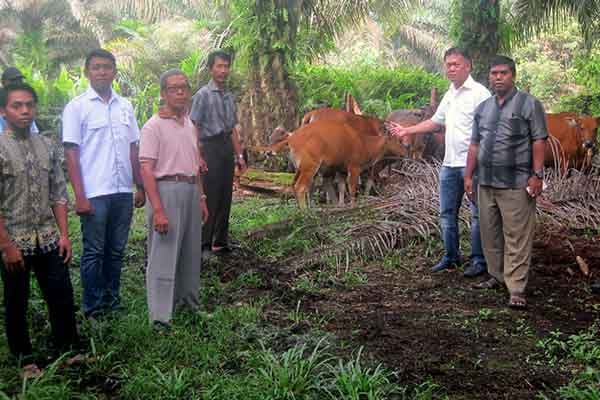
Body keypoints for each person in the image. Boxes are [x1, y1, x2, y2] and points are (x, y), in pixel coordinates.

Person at [387, 48, 490, 277]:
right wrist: (407, 129)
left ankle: (479, 260)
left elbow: (489, 132)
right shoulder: (450, 94)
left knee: (477, 214)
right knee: (446, 213)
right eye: (448, 64)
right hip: (450, 164)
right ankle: (451, 257)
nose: (451, 68)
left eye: (456, 64)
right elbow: (435, 122)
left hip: (473, 165)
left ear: (468, 66)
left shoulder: (480, 94)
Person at [0, 83, 78, 375]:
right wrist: (6, 246)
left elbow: (58, 192)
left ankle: (69, 348)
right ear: (3, 110)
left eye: (30, 105)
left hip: (48, 237)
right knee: (16, 300)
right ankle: (25, 359)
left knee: (61, 293)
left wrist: (65, 235)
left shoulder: (46, 145)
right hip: (14, 240)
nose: (24, 111)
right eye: (17, 105)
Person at [62, 48, 145, 318]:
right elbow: (71, 154)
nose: (101, 71)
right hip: (95, 192)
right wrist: (80, 196)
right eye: (96, 67)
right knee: (94, 252)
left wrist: (139, 185)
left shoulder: (126, 106)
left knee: (117, 251)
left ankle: (112, 299)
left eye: (107, 67)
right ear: (87, 72)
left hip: (122, 191)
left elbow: (134, 148)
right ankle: (93, 306)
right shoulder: (77, 107)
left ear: (114, 72)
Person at [465, 55, 548, 309]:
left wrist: (537, 175)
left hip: (516, 183)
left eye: (503, 73)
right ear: (489, 77)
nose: (498, 77)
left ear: (513, 76)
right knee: (490, 234)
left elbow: (539, 140)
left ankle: (516, 288)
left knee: (517, 236)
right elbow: (475, 144)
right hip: (486, 182)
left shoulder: (529, 104)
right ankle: (497, 275)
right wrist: (468, 176)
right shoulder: (483, 108)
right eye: (494, 73)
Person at [139, 69, 208, 329]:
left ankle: (188, 304)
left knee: (190, 252)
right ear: (163, 94)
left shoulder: (189, 124)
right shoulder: (153, 126)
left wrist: (201, 196)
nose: (180, 92)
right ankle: (160, 317)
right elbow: (146, 169)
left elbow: (195, 163)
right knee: (163, 254)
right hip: (166, 190)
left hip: (190, 188)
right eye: (173, 88)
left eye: (184, 87)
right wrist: (157, 209)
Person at [190, 50, 246, 257]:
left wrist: (239, 156)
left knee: (225, 194)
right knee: (210, 195)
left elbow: (232, 129)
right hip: (209, 147)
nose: (223, 70)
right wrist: (198, 155)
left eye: (226, 66)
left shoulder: (229, 96)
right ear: (211, 69)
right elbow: (194, 126)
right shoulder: (202, 95)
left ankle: (220, 242)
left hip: (225, 147)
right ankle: (203, 243)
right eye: (219, 66)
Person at [0, 67, 39, 134]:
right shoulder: (3, 98)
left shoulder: (27, 95)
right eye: (14, 80)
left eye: (20, 79)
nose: (25, 111)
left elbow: (34, 133)